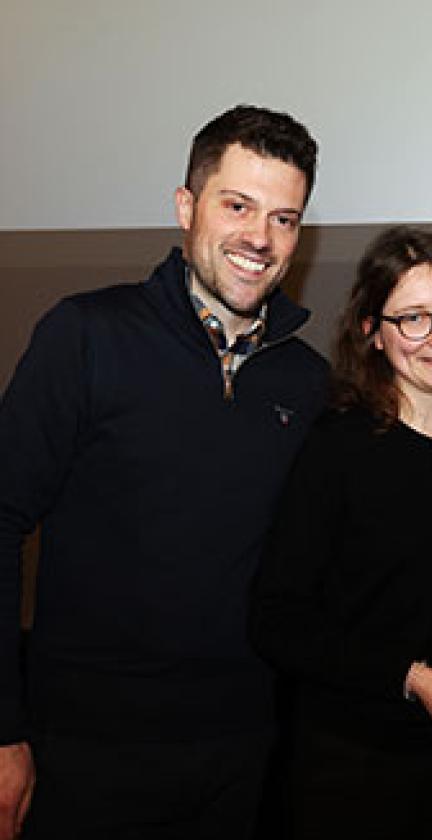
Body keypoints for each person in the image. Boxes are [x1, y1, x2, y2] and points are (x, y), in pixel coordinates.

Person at [0, 105, 329, 839]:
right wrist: (2, 732)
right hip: (81, 753)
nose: (259, 238)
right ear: (186, 207)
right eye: (237, 205)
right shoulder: (85, 335)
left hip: (242, 756)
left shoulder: (307, 382)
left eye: (284, 218)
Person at [250, 226, 432, 839]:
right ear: (372, 333)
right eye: (413, 318)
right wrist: (409, 677)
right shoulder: (334, 449)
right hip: (356, 770)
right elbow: (277, 618)